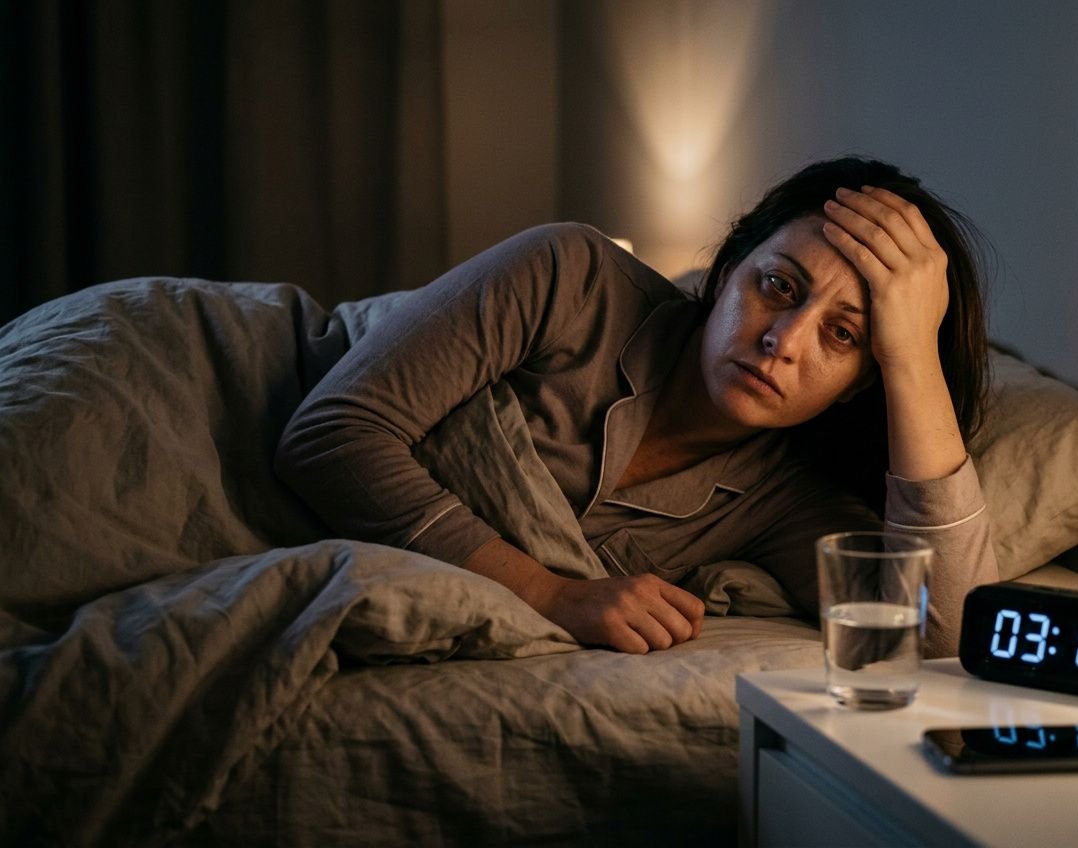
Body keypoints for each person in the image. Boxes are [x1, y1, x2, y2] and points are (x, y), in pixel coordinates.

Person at [275, 156, 999, 658]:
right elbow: (331, 435)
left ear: (864, 381)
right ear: (726, 272)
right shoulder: (571, 276)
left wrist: (911, 356)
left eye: (843, 336)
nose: (783, 341)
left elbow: (940, 639)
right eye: (778, 286)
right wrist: (550, 593)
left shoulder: (786, 501)